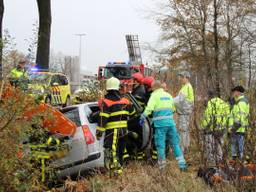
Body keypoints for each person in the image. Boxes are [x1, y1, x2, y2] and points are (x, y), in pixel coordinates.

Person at [142, 80, 187, 171]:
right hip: (171, 124)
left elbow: (149, 108)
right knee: (175, 144)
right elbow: (173, 109)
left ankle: (162, 168)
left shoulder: (154, 96)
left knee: (160, 145)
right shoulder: (168, 95)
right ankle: (182, 165)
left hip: (160, 126)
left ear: (153, 88)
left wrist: (143, 116)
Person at [96, 77, 136, 176]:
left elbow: (102, 119)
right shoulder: (125, 101)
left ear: (108, 88)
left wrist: (99, 133)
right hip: (124, 131)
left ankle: (117, 173)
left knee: (113, 151)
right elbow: (133, 113)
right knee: (121, 150)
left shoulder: (106, 102)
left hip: (113, 132)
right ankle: (121, 168)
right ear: (118, 88)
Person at [201, 90, 230, 164]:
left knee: (210, 145)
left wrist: (203, 127)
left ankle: (211, 161)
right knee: (219, 145)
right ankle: (220, 159)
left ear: (210, 96)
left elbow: (207, 117)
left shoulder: (211, 103)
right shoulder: (224, 103)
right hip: (222, 129)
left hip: (212, 129)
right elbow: (228, 116)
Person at [174, 71, 194, 153]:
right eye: (180, 77)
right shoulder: (186, 86)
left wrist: (170, 101)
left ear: (186, 77)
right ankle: (186, 147)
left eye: (182, 77)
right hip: (185, 112)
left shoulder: (186, 87)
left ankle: (182, 150)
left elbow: (180, 100)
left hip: (184, 112)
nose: (181, 79)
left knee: (183, 130)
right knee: (185, 131)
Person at [228, 86, 249, 160]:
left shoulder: (242, 102)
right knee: (234, 152)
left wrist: (233, 128)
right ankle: (235, 167)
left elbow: (241, 118)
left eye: (234, 91)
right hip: (235, 130)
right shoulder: (236, 102)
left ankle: (241, 166)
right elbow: (232, 116)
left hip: (239, 130)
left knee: (240, 150)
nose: (233, 93)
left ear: (239, 92)